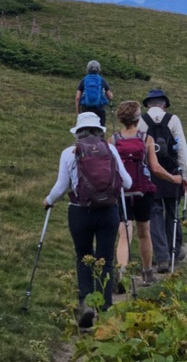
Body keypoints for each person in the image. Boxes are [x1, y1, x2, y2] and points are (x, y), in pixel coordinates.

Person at [43, 112, 132, 329]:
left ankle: (86, 303)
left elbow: (61, 186)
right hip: (109, 211)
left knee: (84, 256)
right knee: (105, 258)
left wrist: (48, 200)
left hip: (80, 211)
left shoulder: (69, 152)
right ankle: (106, 309)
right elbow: (127, 183)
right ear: (99, 131)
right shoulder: (110, 150)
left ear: (78, 132)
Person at [111, 101, 185, 289]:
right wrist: (173, 178)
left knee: (124, 235)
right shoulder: (146, 138)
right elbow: (155, 167)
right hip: (143, 192)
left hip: (121, 192)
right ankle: (147, 273)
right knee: (144, 234)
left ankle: (121, 272)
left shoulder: (113, 139)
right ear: (138, 118)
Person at [137, 89, 187, 273]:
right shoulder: (173, 119)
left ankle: (162, 258)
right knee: (172, 211)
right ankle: (175, 249)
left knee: (155, 214)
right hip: (172, 172)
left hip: (150, 173)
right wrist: (185, 175)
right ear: (164, 104)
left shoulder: (142, 121)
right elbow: (182, 147)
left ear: (148, 104)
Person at [75, 60, 113, 126]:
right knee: (100, 128)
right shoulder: (102, 80)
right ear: (98, 69)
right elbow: (110, 96)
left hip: (85, 108)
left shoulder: (84, 80)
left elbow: (78, 97)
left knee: (86, 127)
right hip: (100, 109)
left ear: (88, 69)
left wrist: (78, 112)